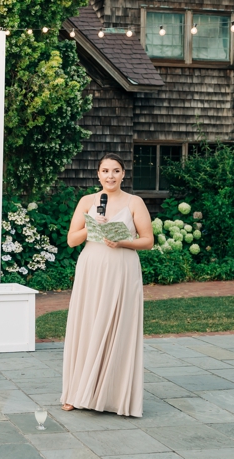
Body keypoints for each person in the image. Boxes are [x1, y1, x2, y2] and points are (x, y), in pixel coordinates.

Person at [61, 153, 153, 417]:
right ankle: (76, 393)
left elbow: (147, 240)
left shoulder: (134, 202)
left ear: (123, 174)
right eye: (105, 171)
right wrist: (92, 229)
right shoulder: (87, 201)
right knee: (87, 326)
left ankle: (114, 397)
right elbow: (71, 240)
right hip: (92, 268)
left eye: (115, 171)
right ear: (98, 174)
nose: (110, 176)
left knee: (117, 327)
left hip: (122, 269)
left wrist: (122, 241)